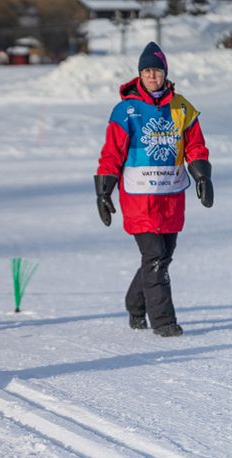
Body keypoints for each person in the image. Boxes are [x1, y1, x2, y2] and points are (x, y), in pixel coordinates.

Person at [94, 42, 213, 337]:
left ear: (165, 73)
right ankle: (163, 321)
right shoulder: (127, 110)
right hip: (139, 198)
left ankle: (135, 303)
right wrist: (103, 188)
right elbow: (112, 153)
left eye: (157, 70)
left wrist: (202, 176)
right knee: (156, 257)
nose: (152, 76)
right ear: (139, 74)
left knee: (162, 256)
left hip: (171, 196)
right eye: (147, 70)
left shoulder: (182, 107)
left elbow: (195, 145)